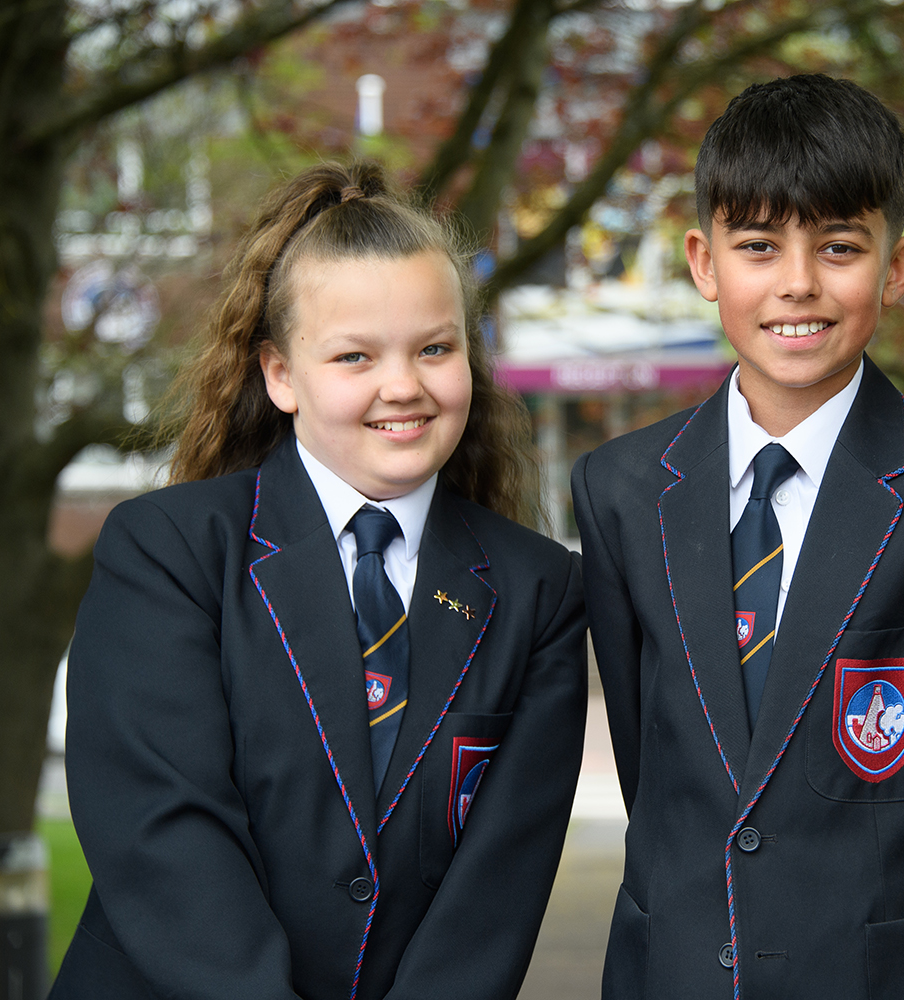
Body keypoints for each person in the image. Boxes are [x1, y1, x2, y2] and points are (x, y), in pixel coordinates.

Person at [572, 75, 904, 1000]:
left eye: (839, 246)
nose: (798, 283)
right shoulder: (619, 491)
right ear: (703, 261)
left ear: (897, 264)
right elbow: (659, 773)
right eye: (758, 246)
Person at [52, 163, 586, 1000]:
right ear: (280, 375)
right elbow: (165, 834)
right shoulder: (169, 553)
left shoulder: (540, 593)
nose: (403, 385)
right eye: (354, 356)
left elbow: (497, 889)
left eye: (435, 348)